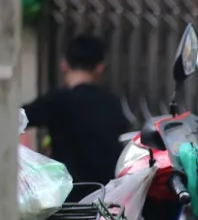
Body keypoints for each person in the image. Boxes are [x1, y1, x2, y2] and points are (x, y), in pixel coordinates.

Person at [22, 34, 129, 201]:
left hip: (69, 200)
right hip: (107, 197)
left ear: (64, 65)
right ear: (100, 67)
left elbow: (17, 119)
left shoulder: (57, 100)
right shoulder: (113, 102)